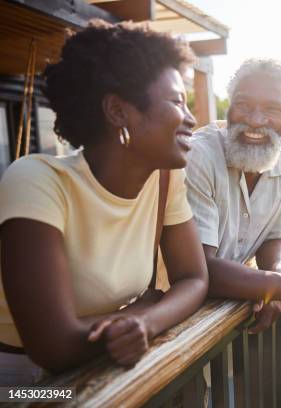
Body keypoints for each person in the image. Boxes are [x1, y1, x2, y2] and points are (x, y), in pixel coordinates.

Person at [0, 20, 208, 385]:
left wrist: (146, 320)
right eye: (177, 101)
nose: (191, 119)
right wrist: (140, 309)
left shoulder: (164, 178)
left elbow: (193, 278)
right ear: (117, 111)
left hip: (98, 366)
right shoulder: (36, 181)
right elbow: (53, 345)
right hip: (14, 383)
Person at [185, 59, 281, 335]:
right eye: (243, 105)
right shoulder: (198, 156)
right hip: (173, 324)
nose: (255, 120)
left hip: (223, 321)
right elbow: (196, 267)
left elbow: (277, 234)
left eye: (272, 109)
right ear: (228, 108)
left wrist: (277, 274)